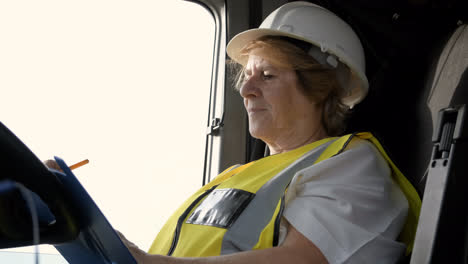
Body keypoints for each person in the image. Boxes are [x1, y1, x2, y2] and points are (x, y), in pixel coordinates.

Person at [115, 2, 420, 263]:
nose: (246, 90)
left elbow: (304, 259)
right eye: (247, 76)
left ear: (321, 89)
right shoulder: (235, 176)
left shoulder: (353, 164)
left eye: (267, 75)